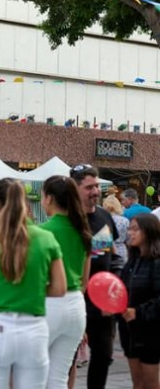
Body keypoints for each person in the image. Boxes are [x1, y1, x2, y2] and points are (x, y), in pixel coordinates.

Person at [0, 178, 67, 389]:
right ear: (26, 203)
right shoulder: (46, 237)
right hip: (33, 329)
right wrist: (34, 289)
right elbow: (60, 288)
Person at [38, 176, 95, 387]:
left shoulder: (43, 231)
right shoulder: (83, 231)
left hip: (49, 304)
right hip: (76, 306)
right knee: (59, 377)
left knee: (35, 375)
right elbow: (84, 281)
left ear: (49, 198)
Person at [70, 164, 123, 389]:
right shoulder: (67, 219)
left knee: (103, 356)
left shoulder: (103, 216)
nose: (95, 192)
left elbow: (112, 256)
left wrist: (115, 287)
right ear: (75, 188)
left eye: (96, 186)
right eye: (89, 187)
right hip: (73, 301)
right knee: (67, 359)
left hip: (102, 304)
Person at [118, 213, 160, 389]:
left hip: (150, 330)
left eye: (135, 229)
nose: (130, 233)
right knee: (137, 381)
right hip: (130, 330)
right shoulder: (132, 261)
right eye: (129, 229)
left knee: (150, 382)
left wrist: (139, 312)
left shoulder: (156, 262)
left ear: (148, 231)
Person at [104, 196, 130, 261]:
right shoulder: (125, 221)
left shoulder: (103, 219)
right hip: (121, 250)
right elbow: (129, 239)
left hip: (106, 250)